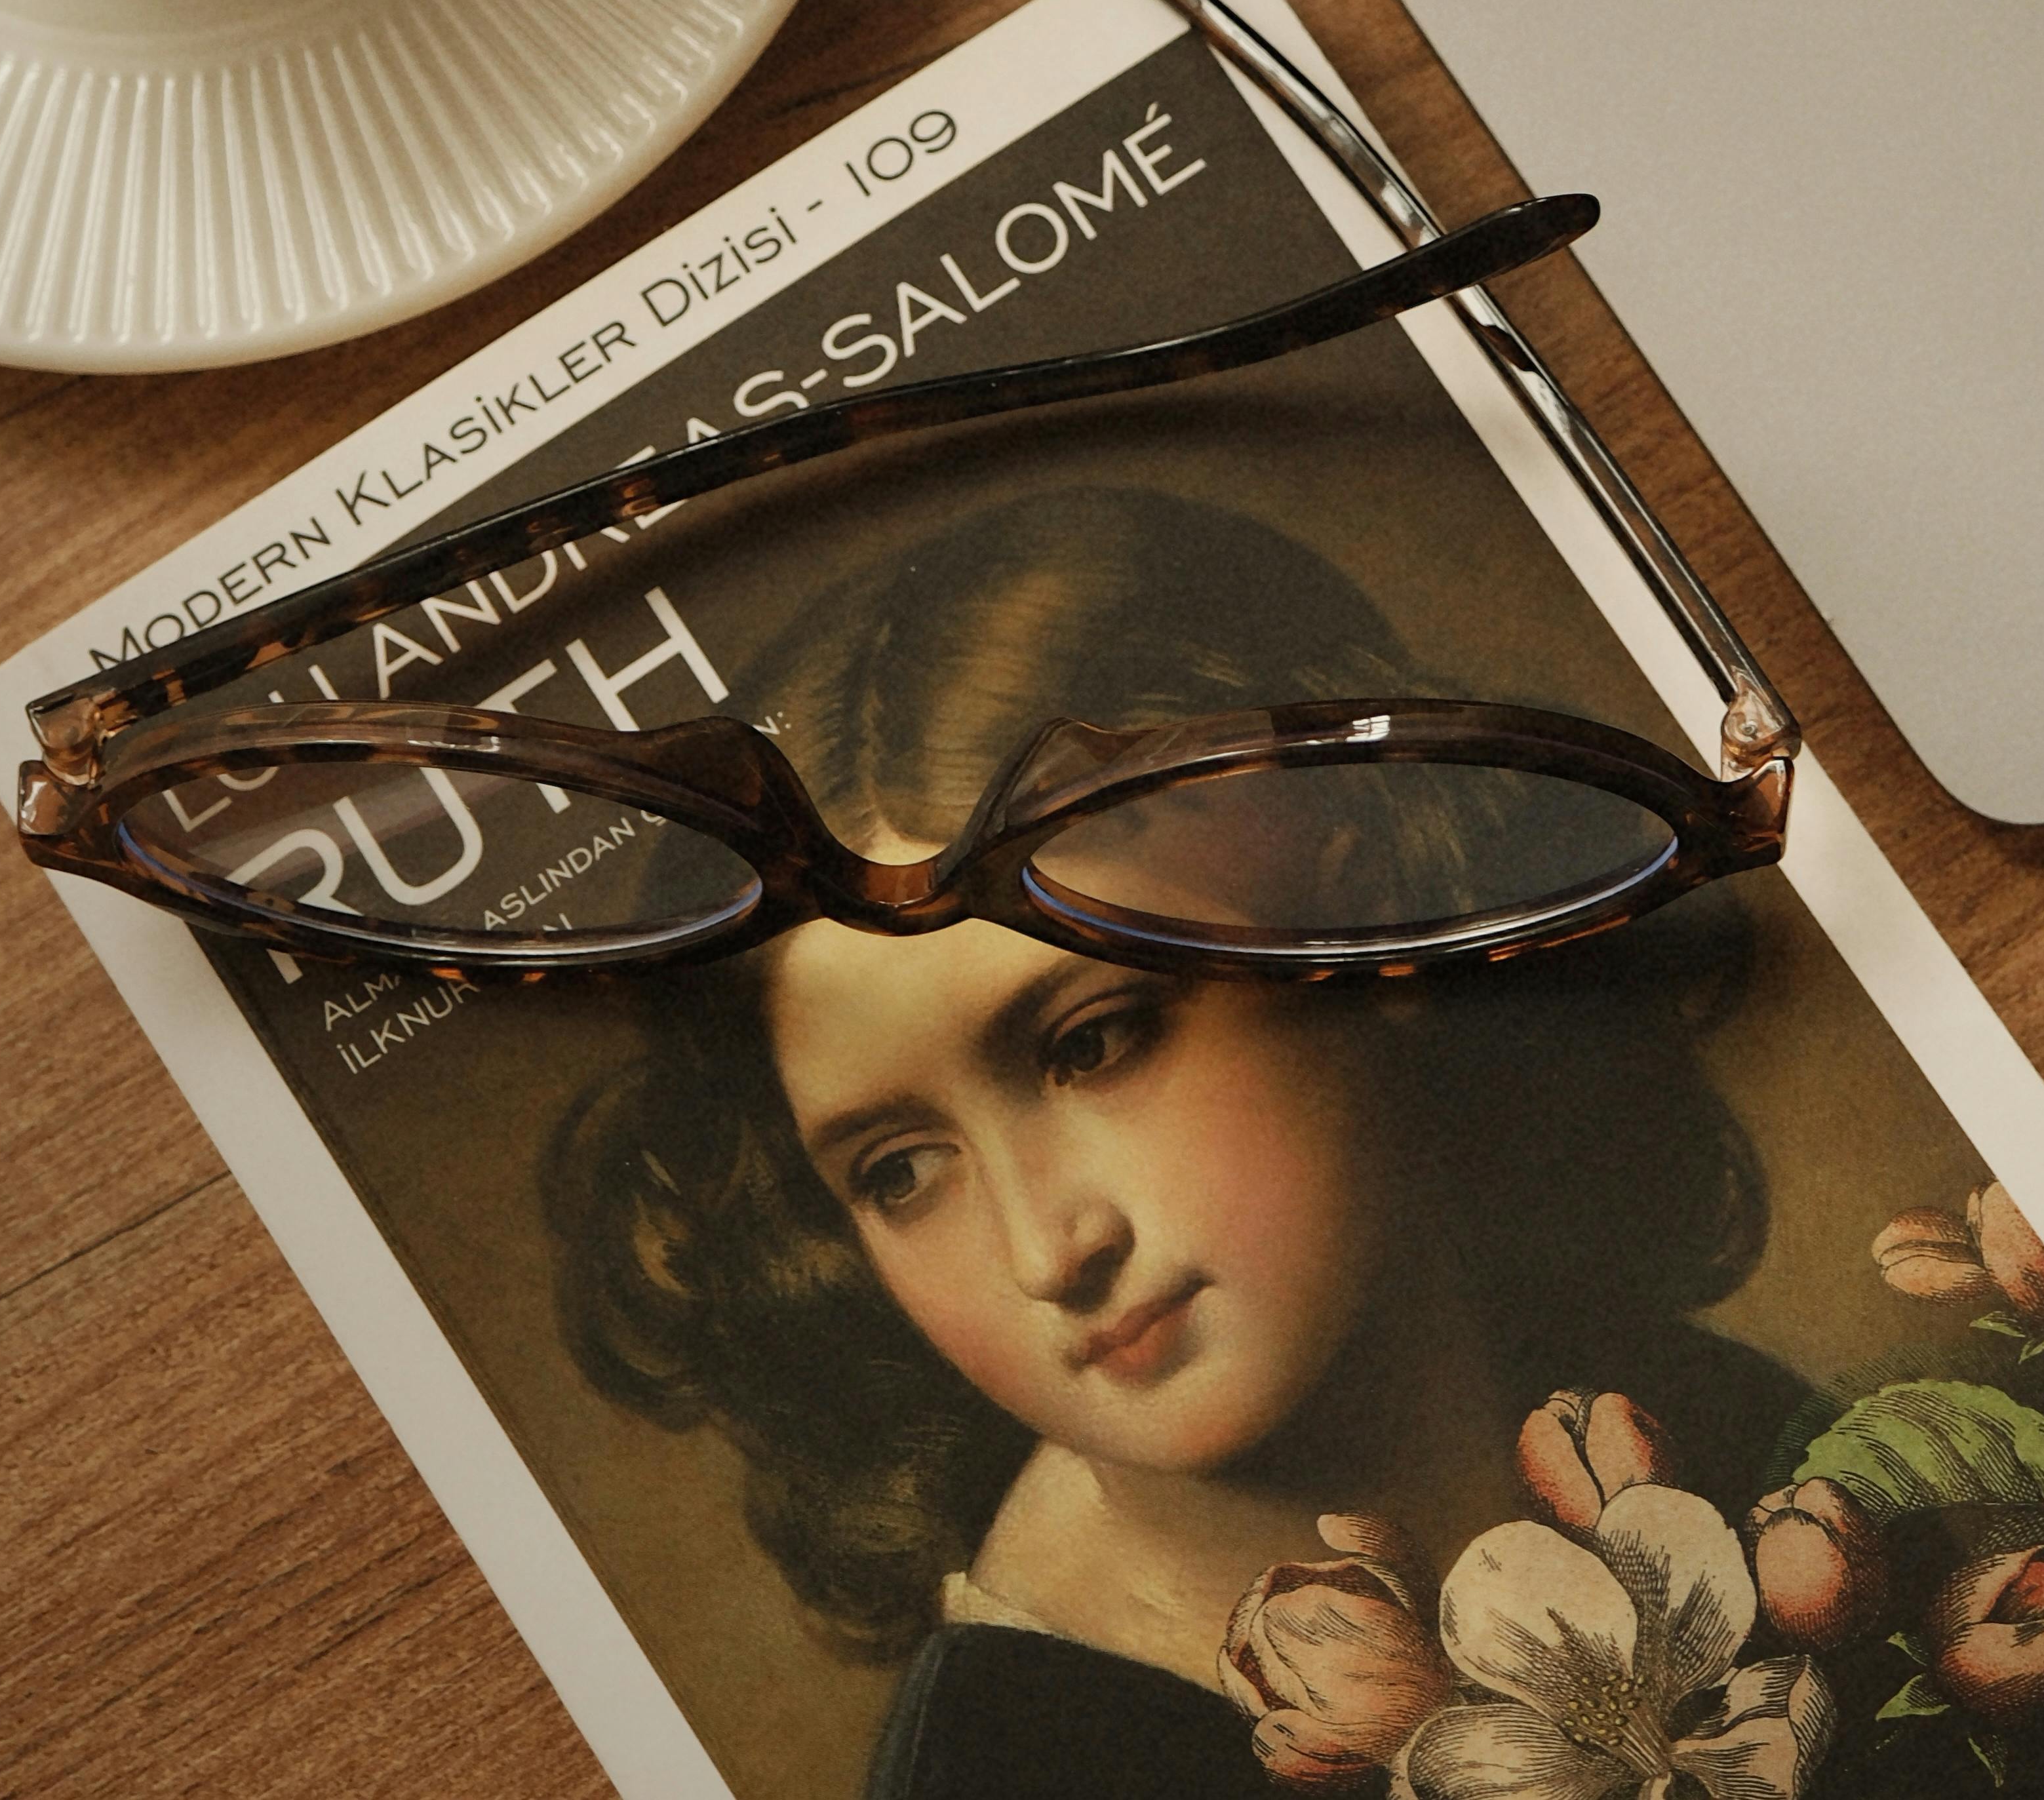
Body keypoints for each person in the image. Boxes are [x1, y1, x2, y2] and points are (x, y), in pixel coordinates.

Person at [543, 482, 1793, 1800]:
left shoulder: (1734, 1444)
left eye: (1091, 1041)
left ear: (1364, 909)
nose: (1047, 1247)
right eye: (899, 1169)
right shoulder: (1020, 1766)